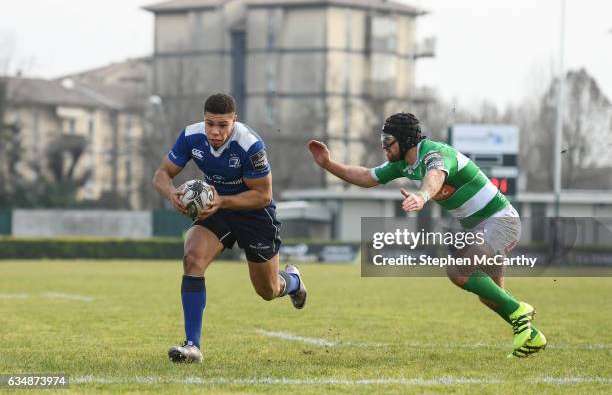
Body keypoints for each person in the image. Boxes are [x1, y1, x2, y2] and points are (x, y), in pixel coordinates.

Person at [307, 112, 546, 358]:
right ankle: (532, 335)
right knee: (490, 297)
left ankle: (520, 311)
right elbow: (367, 177)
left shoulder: (434, 154)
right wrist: (328, 164)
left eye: (388, 140)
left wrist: (421, 196)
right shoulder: (403, 164)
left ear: (405, 139)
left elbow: (435, 176)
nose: (384, 146)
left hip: (500, 221)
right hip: (481, 228)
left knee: (458, 271)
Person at [153, 93, 307, 363]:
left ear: (234, 120)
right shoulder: (191, 136)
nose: (215, 131)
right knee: (192, 259)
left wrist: (221, 199)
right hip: (216, 210)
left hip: (254, 213)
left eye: (222, 125)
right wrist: (171, 193)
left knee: (268, 291)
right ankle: (192, 346)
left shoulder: (250, 145)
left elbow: (263, 195)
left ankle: (293, 281)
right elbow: (161, 174)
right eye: (210, 123)